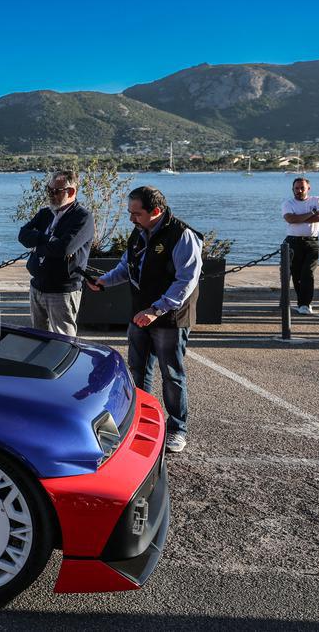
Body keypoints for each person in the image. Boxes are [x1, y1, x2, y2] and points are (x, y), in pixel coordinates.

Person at [87, 185, 202, 454]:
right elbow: (127, 267)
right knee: (137, 371)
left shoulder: (182, 236)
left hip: (170, 317)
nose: (131, 219)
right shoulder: (139, 233)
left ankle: (177, 429)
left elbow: (186, 281)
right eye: (130, 213)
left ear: (156, 211)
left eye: (136, 214)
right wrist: (105, 281)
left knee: (171, 374)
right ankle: (141, 420)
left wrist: (156, 309)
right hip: (140, 314)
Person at [17, 170, 95, 336]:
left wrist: (38, 244)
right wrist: (47, 239)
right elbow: (23, 235)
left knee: (64, 340)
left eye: (56, 191)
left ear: (71, 192)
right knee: (38, 337)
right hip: (37, 285)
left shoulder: (83, 218)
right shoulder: (45, 213)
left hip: (62, 290)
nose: (51, 195)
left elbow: (64, 249)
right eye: (49, 190)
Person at [281, 177, 319, 315]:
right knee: (297, 274)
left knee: (308, 273)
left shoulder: (317, 200)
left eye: (302, 188)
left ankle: (305, 304)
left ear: (308, 189)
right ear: (292, 189)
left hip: (312, 242)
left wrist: (300, 218)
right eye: (296, 188)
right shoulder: (288, 203)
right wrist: (312, 213)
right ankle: (301, 303)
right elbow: (290, 219)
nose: (299, 191)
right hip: (293, 242)